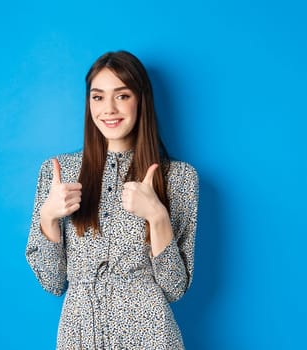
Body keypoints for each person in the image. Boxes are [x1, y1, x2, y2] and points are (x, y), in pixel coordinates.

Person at [26, 50, 198, 349]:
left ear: (140, 99)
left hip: (151, 335)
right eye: (98, 97)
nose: (108, 109)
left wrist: (157, 216)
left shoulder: (179, 178)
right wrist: (48, 218)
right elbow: (53, 283)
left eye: (122, 96)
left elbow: (174, 287)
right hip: (80, 333)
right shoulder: (59, 172)